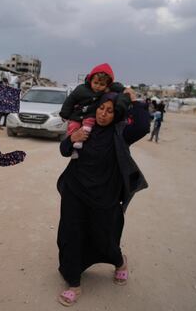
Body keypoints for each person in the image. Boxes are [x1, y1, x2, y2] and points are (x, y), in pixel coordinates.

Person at [55, 89, 150, 306]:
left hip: (104, 195)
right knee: (71, 234)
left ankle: (119, 262)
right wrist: (72, 139)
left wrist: (134, 100)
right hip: (75, 191)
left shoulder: (121, 132)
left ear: (116, 114)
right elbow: (64, 150)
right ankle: (74, 282)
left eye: (109, 111)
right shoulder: (85, 126)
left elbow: (144, 126)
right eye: (101, 108)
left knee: (104, 235)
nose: (103, 114)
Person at [60, 63, 125, 158]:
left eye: (102, 84)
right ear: (90, 80)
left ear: (107, 85)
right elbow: (70, 101)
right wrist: (65, 114)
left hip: (90, 116)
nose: (98, 86)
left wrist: (125, 90)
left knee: (89, 124)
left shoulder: (105, 93)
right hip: (77, 115)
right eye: (95, 83)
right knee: (73, 127)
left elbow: (116, 87)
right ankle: (74, 149)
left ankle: (81, 140)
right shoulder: (81, 89)